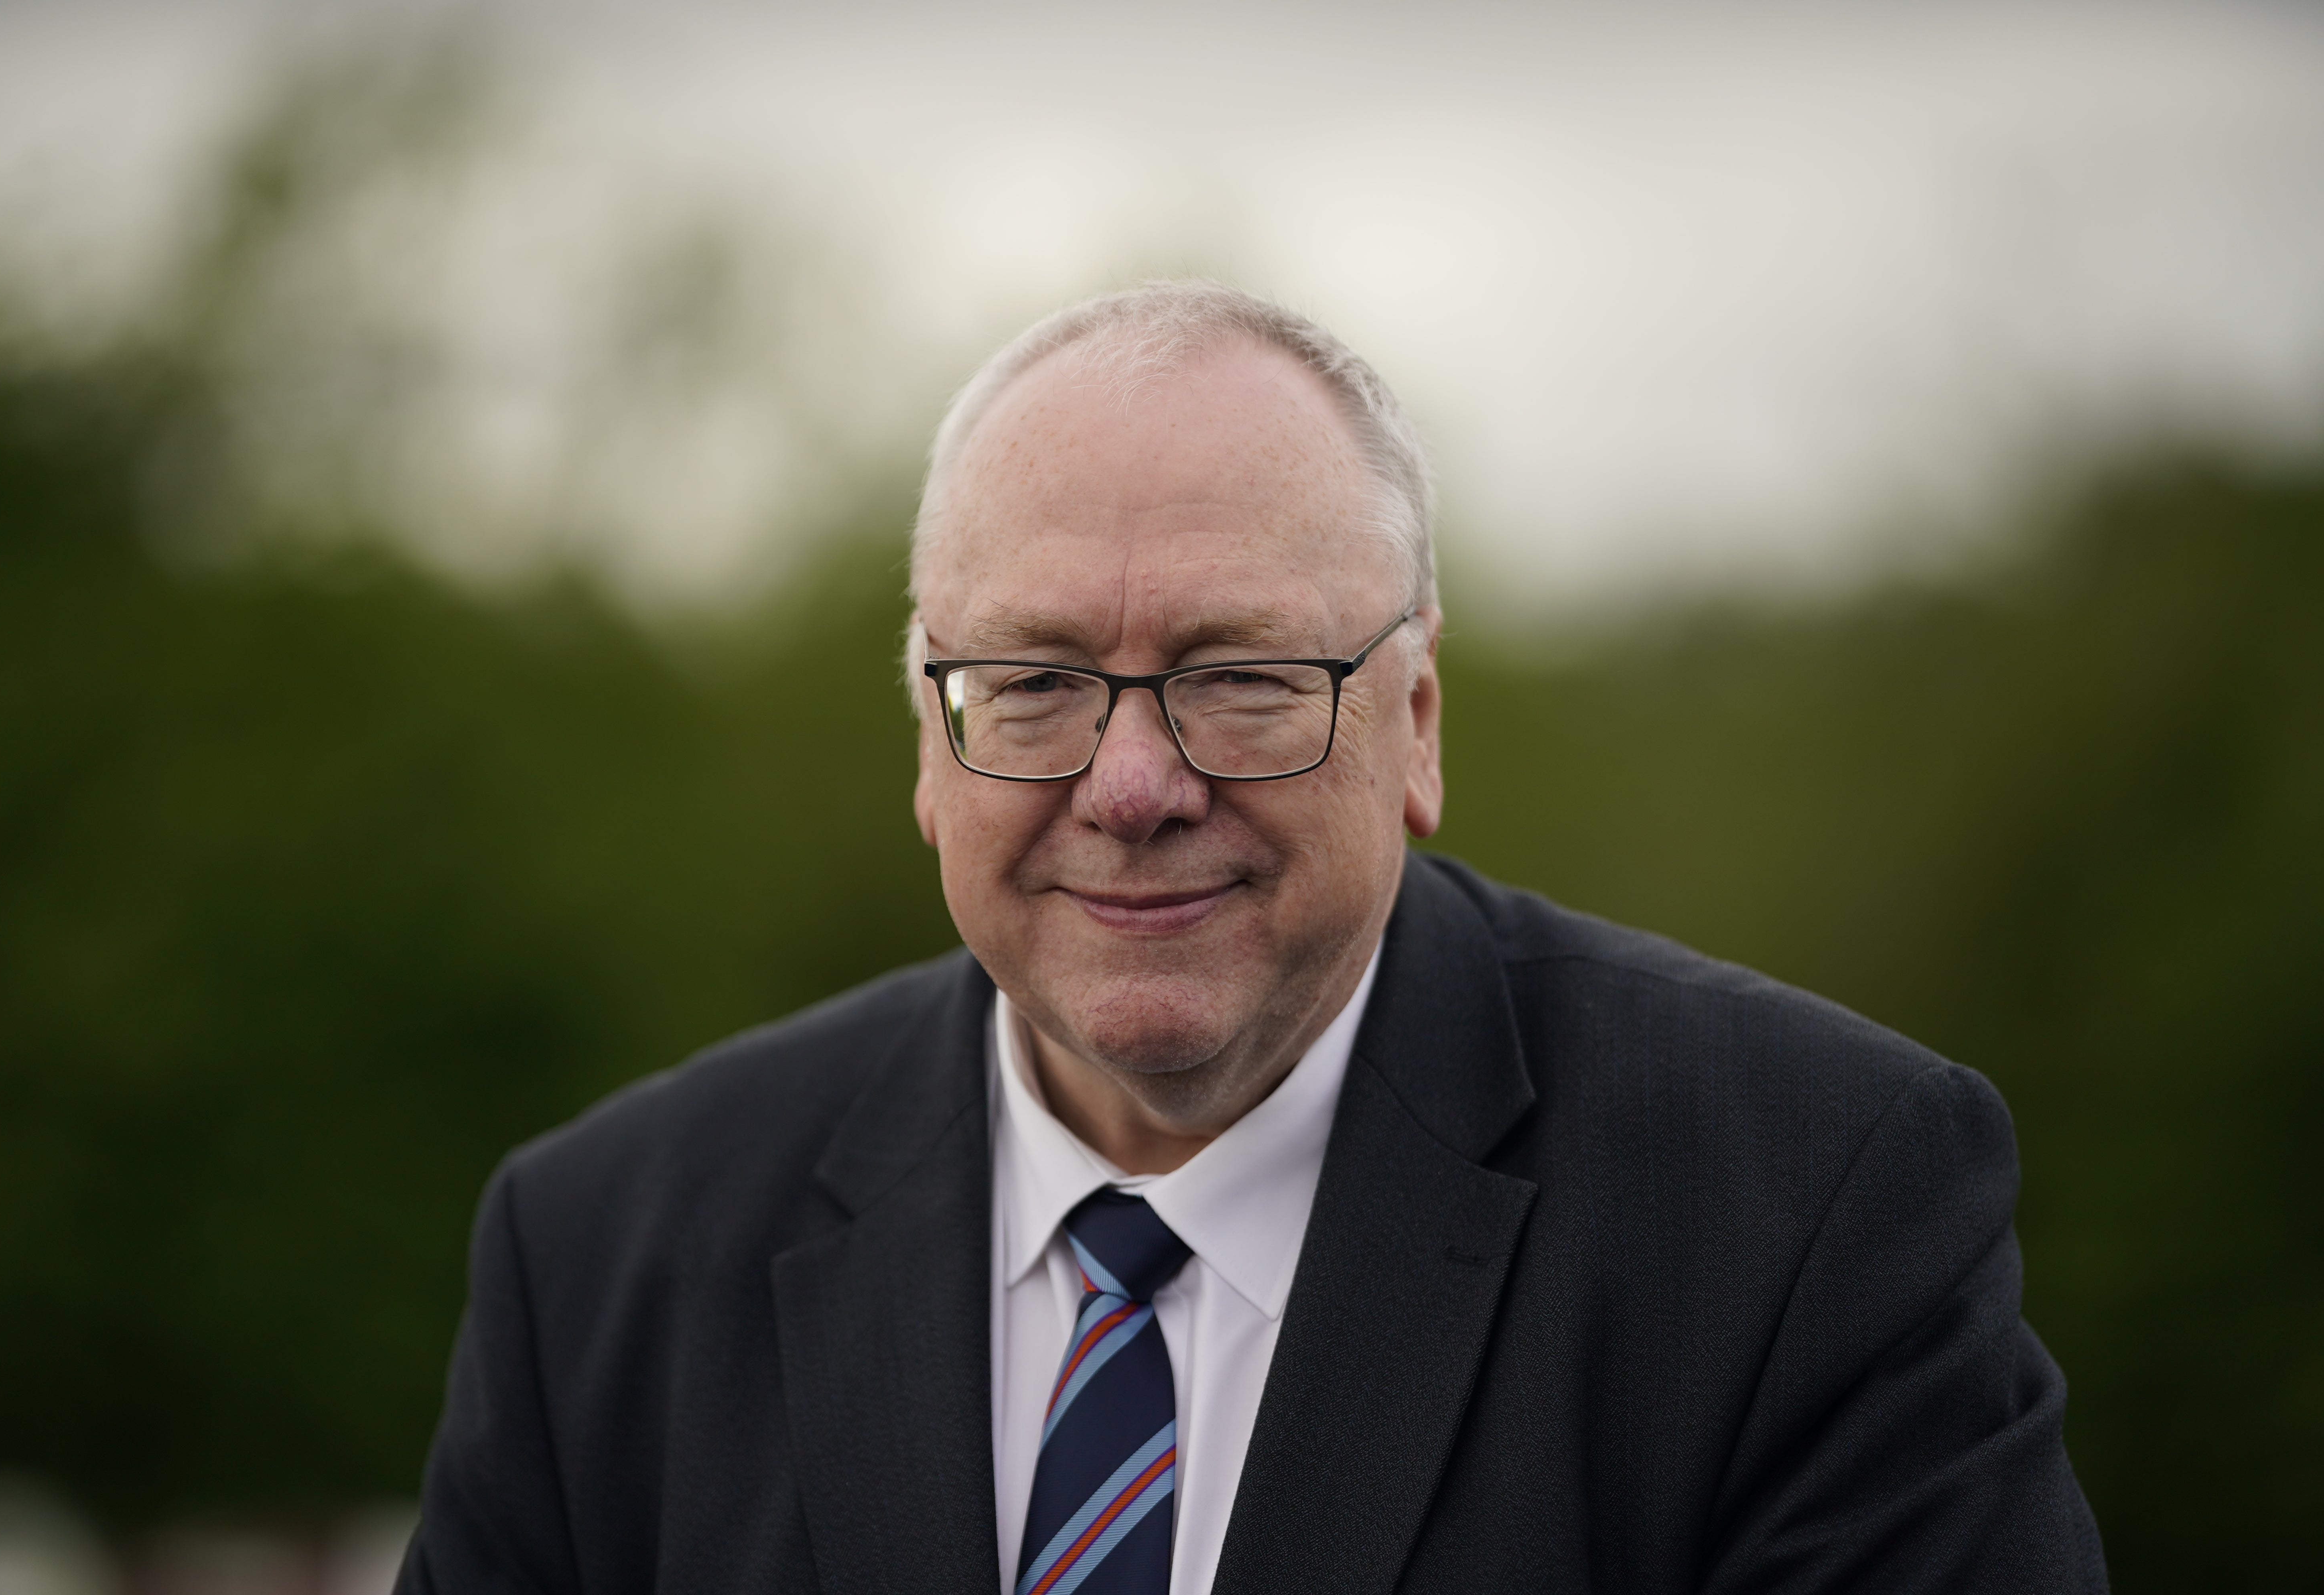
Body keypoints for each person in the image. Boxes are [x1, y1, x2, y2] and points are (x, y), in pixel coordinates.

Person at [398, 282, 2107, 1594]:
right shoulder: (602, 1262)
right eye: (1038, 683)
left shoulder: (1806, 1210)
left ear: (1419, 718)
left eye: (1242, 677)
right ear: (929, 740)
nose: (1133, 783)